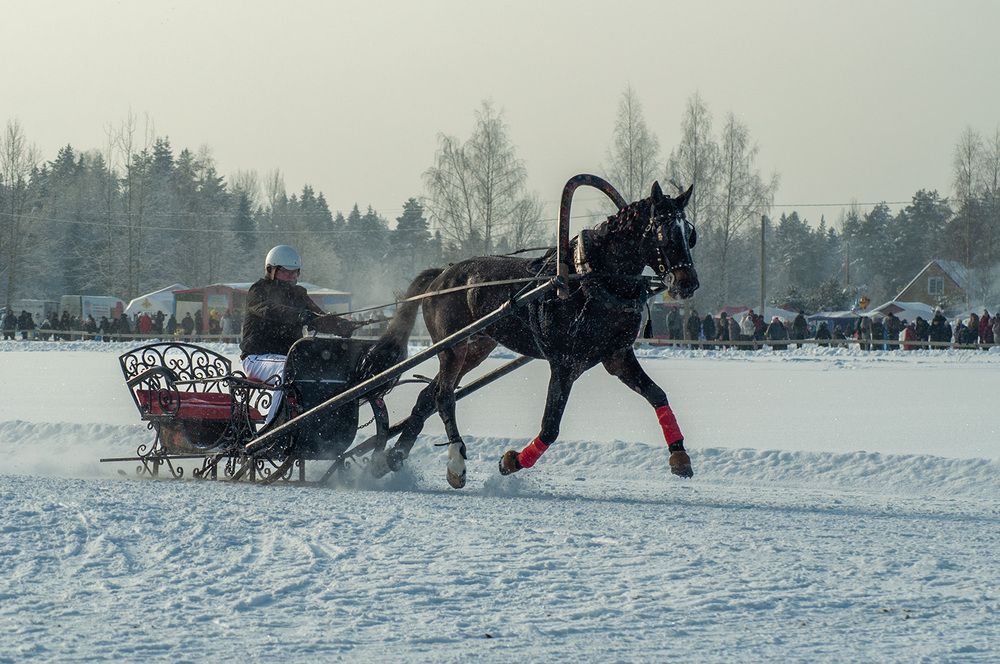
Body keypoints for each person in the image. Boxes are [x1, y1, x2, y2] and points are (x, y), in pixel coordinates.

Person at [240, 245, 355, 424]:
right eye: (286, 272)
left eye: (295, 272)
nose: (292, 276)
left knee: (319, 368)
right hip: (256, 358)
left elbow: (318, 318)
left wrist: (341, 326)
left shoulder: (299, 294)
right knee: (287, 369)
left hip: (290, 357)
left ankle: (316, 421)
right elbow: (270, 309)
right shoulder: (258, 290)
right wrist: (300, 315)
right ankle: (272, 428)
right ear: (271, 270)